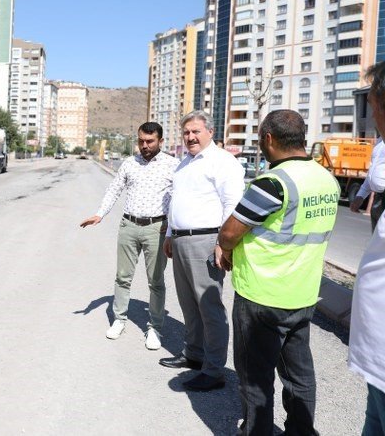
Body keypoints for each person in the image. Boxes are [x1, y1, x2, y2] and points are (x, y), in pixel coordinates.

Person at [217, 110, 340, 434]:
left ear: (268, 139)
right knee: (299, 375)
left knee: (256, 378)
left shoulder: (274, 182)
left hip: (262, 296)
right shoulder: (327, 179)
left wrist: (226, 251)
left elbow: (229, 232)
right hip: (302, 294)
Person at [159, 110, 244, 392]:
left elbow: (232, 204)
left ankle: (214, 369)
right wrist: (171, 234)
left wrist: (224, 243)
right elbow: (175, 202)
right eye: (186, 132)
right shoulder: (185, 163)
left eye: (196, 131)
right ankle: (193, 355)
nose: (190, 137)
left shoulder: (223, 162)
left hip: (207, 241)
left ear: (210, 131)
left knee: (209, 306)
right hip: (181, 240)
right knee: (188, 303)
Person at [80, 122, 179, 349]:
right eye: (141, 141)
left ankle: (154, 327)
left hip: (157, 228)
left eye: (150, 141)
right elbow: (114, 188)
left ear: (160, 141)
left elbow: (179, 200)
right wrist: (100, 214)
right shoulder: (129, 163)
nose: (144, 146)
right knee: (122, 277)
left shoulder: (173, 165)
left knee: (156, 281)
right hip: (129, 225)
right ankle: (119, 319)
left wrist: (172, 232)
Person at [349, 62, 385, 436]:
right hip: (376, 362)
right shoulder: (379, 146)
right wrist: (361, 198)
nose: (371, 112)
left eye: (374, 103)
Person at [350, 137, 385, 232]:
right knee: (377, 242)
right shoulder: (379, 141)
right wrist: (361, 195)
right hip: (378, 199)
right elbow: (374, 171)